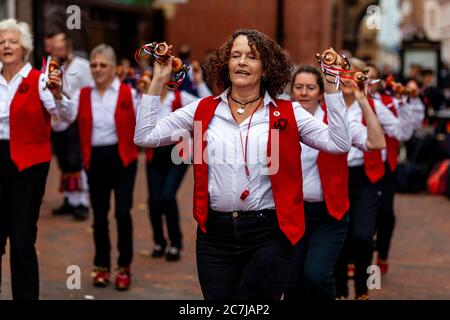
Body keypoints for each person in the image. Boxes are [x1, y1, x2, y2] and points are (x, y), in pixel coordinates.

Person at [134, 29, 351, 300]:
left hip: (268, 233)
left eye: (252, 56)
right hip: (215, 235)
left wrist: (332, 87)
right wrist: (158, 81)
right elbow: (145, 136)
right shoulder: (203, 110)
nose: (242, 62)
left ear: (267, 68)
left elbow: (339, 144)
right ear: (227, 64)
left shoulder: (288, 112)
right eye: (235, 55)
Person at [284, 65, 385, 300]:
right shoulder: (282, 121)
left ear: (321, 93)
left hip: (330, 215)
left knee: (316, 275)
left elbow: (376, 142)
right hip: (292, 214)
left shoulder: (337, 121)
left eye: (310, 88)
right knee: (291, 284)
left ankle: (358, 290)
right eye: (299, 87)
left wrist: (362, 100)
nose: (304, 93)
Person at [56, 44, 138, 291]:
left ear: (113, 68)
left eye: (103, 64)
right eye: (93, 65)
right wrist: (58, 95)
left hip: (123, 159)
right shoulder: (83, 95)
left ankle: (124, 267)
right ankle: (101, 265)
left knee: (122, 213)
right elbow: (64, 117)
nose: (98, 69)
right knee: (99, 217)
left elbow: (145, 120)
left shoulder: (129, 93)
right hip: (95, 161)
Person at [0, 18, 72, 299]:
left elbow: (66, 117)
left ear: (25, 48)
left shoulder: (40, 80)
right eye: (2, 42)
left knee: (21, 240)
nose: (7, 46)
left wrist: (58, 94)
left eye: (13, 41)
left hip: (29, 165)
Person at [334, 58, 415, 300]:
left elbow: (402, 132)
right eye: (344, 72)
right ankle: (339, 292)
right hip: (335, 178)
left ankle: (364, 289)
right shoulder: (327, 104)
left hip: (366, 177)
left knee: (363, 235)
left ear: (362, 79)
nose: (348, 78)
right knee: (340, 237)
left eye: (354, 74)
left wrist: (409, 103)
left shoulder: (373, 105)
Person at [142, 62, 212, 261]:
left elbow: (207, 102)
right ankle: (159, 241)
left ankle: (175, 243)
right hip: (154, 154)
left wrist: (199, 83)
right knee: (154, 201)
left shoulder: (180, 98)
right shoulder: (146, 100)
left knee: (167, 196)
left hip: (178, 154)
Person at [367, 65, 424, 274]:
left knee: (385, 213)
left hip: (383, 165)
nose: (368, 83)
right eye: (365, 77)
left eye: (373, 79)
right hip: (355, 167)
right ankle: (355, 257)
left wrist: (412, 101)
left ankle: (382, 254)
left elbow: (405, 130)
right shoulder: (349, 102)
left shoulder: (387, 103)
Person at [50, 32, 92, 220]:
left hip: (76, 119)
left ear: (69, 48)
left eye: (61, 49)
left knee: (76, 161)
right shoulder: (53, 67)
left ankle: (82, 202)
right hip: (58, 120)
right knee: (64, 161)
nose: (58, 53)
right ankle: (69, 199)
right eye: (55, 50)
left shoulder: (82, 66)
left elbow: (90, 90)